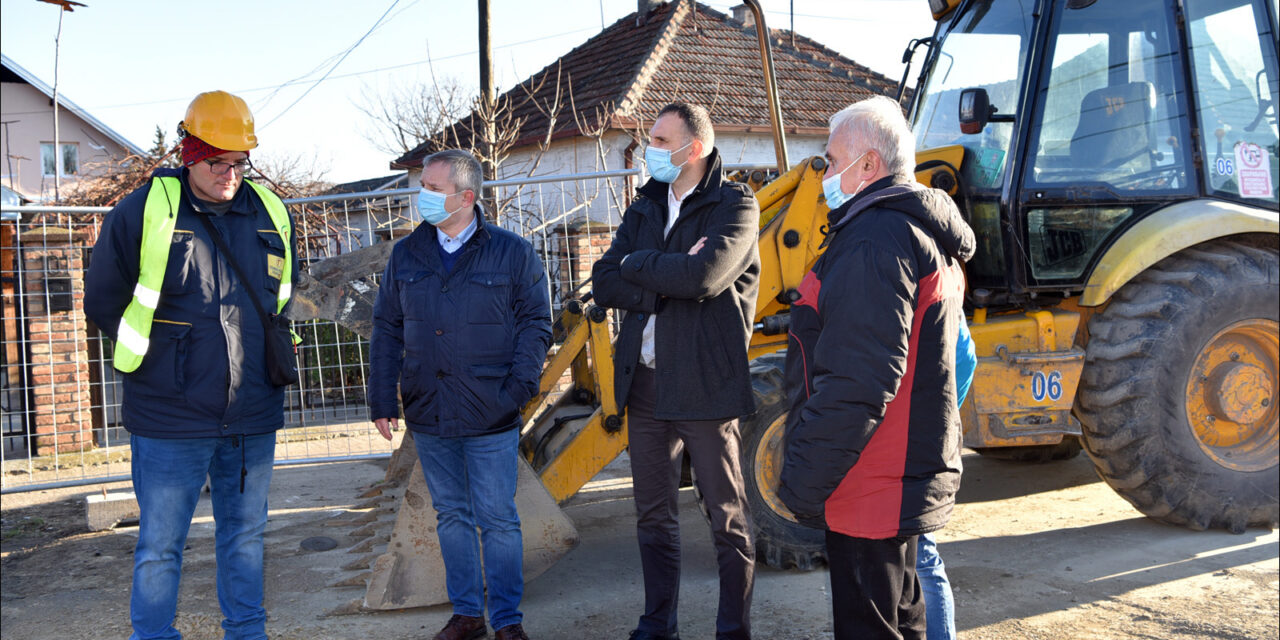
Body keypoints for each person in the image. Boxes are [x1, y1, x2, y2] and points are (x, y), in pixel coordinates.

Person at [84, 90, 297, 640]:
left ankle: (247, 632)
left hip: (251, 411)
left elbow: (281, 300)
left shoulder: (271, 213)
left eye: (238, 162)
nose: (228, 173)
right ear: (188, 153)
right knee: (161, 544)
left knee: (246, 536)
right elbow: (103, 299)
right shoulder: (145, 211)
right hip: (169, 415)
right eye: (215, 161)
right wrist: (163, 362)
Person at [777, 96, 976, 640]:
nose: (823, 171)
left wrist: (802, 479)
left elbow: (859, 382)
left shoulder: (873, 242)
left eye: (830, 157)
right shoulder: (905, 232)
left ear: (868, 164)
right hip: (893, 476)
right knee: (902, 620)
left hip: (870, 482)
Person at [367, 149, 551, 640]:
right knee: (451, 516)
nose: (420, 195)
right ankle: (467, 614)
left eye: (431, 187)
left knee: (497, 518)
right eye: (420, 185)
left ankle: (508, 620)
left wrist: (517, 389)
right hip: (430, 408)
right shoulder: (406, 255)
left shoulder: (512, 253)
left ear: (466, 197)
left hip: (492, 409)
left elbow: (537, 323)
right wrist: (383, 399)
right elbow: (386, 327)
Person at [593, 102, 761, 640]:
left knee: (726, 516)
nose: (650, 149)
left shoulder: (734, 204)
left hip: (705, 384)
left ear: (694, 148)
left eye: (661, 140)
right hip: (642, 383)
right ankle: (657, 623)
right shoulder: (645, 205)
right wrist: (663, 273)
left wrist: (639, 267)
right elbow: (604, 280)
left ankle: (733, 630)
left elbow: (706, 276)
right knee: (653, 516)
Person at [916, 320, 976, 640]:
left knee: (920, 556)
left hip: (916, 443)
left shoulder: (930, 275)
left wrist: (940, 415)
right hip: (921, 437)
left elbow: (966, 357)